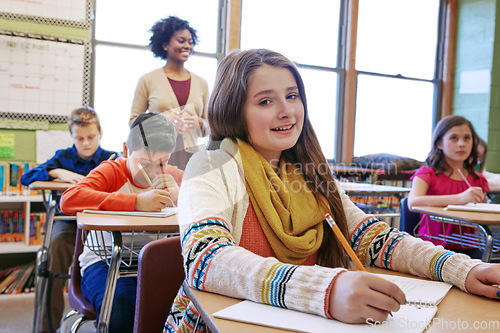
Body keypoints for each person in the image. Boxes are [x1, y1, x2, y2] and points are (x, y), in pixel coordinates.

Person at [163, 49, 500, 333]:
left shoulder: (310, 171)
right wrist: (325, 289)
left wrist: (463, 269)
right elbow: (204, 259)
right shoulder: (210, 165)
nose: (287, 111)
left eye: (292, 96)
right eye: (265, 101)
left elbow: (372, 238)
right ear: (233, 109)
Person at [60, 112, 183, 333]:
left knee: (181, 302)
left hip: (150, 265)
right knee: (125, 305)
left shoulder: (171, 176)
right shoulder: (112, 171)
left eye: (162, 163)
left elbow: (208, 200)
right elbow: (69, 199)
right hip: (104, 262)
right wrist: (135, 201)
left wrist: (181, 195)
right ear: (126, 150)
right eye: (145, 163)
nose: (154, 171)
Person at [21, 106, 117, 333]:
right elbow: (28, 177)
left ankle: (111, 319)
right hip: (68, 224)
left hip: (102, 226)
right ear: (72, 136)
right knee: (53, 249)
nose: (85, 143)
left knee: (122, 257)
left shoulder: (111, 159)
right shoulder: (63, 158)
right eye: (79, 138)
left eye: (91, 137)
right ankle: (47, 328)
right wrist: (58, 173)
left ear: (100, 132)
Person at [129, 16, 209, 170]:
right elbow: (133, 122)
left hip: (191, 160)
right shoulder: (148, 80)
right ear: (165, 44)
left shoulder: (202, 83)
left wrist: (199, 123)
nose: (187, 46)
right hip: (156, 158)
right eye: (181, 41)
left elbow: (211, 127)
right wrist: (161, 120)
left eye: (190, 42)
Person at [408, 115, 489, 253]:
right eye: (454, 138)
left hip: (471, 247)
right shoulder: (427, 173)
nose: (461, 144)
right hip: (433, 247)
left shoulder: (478, 180)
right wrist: (460, 198)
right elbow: (413, 202)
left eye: (467, 138)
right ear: (439, 143)